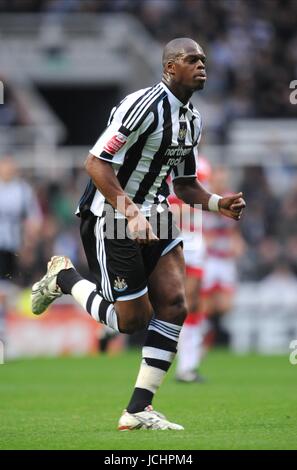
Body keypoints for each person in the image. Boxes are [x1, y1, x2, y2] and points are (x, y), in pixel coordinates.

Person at [31, 37, 245, 431]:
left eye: (204, 60)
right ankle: (64, 277)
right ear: (169, 68)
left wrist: (218, 203)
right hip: (112, 214)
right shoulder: (142, 105)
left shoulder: (192, 120)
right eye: (191, 59)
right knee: (131, 321)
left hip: (158, 213)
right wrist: (130, 213)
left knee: (176, 304)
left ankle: (138, 409)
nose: (202, 65)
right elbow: (95, 163)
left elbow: (184, 186)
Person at [201, 167, 246, 345]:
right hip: (208, 257)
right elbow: (194, 225)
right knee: (205, 303)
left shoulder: (233, 199)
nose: (221, 183)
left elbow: (235, 229)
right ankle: (203, 336)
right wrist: (204, 240)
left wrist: (237, 242)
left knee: (226, 305)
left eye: (224, 179)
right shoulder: (203, 199)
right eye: (218, 179)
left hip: (226, 258)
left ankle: (210, 331)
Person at [0, 155, 42, 344]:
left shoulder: (22, 190)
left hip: (12, 248)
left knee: (7, 288)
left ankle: (3, 331)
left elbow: (34, 219)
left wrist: (29, 243)